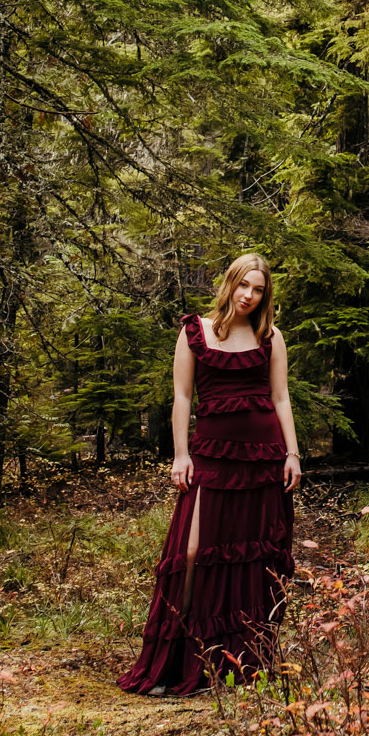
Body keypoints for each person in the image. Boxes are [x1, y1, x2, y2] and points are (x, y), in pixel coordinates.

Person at [117, 252, 301, 695]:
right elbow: (181, 397)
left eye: (258, 290)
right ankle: (174, 663)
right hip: (210, 455)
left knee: (251, 559)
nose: (249, 296)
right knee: (194, 551)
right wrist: (181, 455)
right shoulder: (195, 332)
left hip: (262, 457)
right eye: (244, 286)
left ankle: (239, 665)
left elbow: (280, 399)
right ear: (230, 283)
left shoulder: (270, 337)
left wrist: (292, 454)